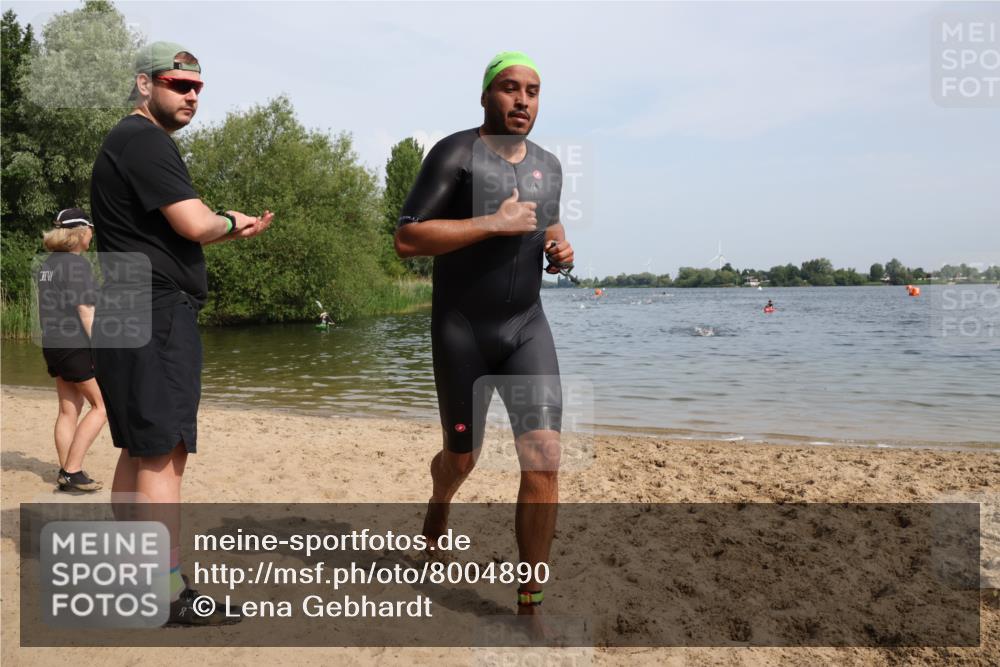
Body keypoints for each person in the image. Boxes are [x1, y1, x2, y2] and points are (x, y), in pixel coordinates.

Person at [90, 41, 273, 626]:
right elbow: (194, 222)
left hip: (124, 296)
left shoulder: (124, 140)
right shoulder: (145, 140)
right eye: (179, 84)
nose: (192, 95)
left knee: (137, 449)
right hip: (153, 307)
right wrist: (233, 223)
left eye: (198, 88)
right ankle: (165, 595)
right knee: (164, 456)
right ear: (145, 84)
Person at [394, 51, 573, 615]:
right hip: (462, 331)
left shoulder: (549, 164)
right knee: (462, 458)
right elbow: (408, 238)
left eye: (534, 91)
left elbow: (548, 220)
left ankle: (529, 603)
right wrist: (492, 223)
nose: (523, 100)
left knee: (544, 458)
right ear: (485, 96)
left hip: (526, 328)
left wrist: (559, 247)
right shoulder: (455, 153)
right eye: (510, 88)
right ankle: (441, 497)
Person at [36, 208, 106, 492]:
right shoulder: (76, 265)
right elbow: (85, 310)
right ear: (79, 232)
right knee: (102, 406)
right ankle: (72, 470)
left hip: (52, 344)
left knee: (68, 409)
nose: (92, 233)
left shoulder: (48, 264)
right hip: (74, 344)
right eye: (91, 228)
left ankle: (67, 470)